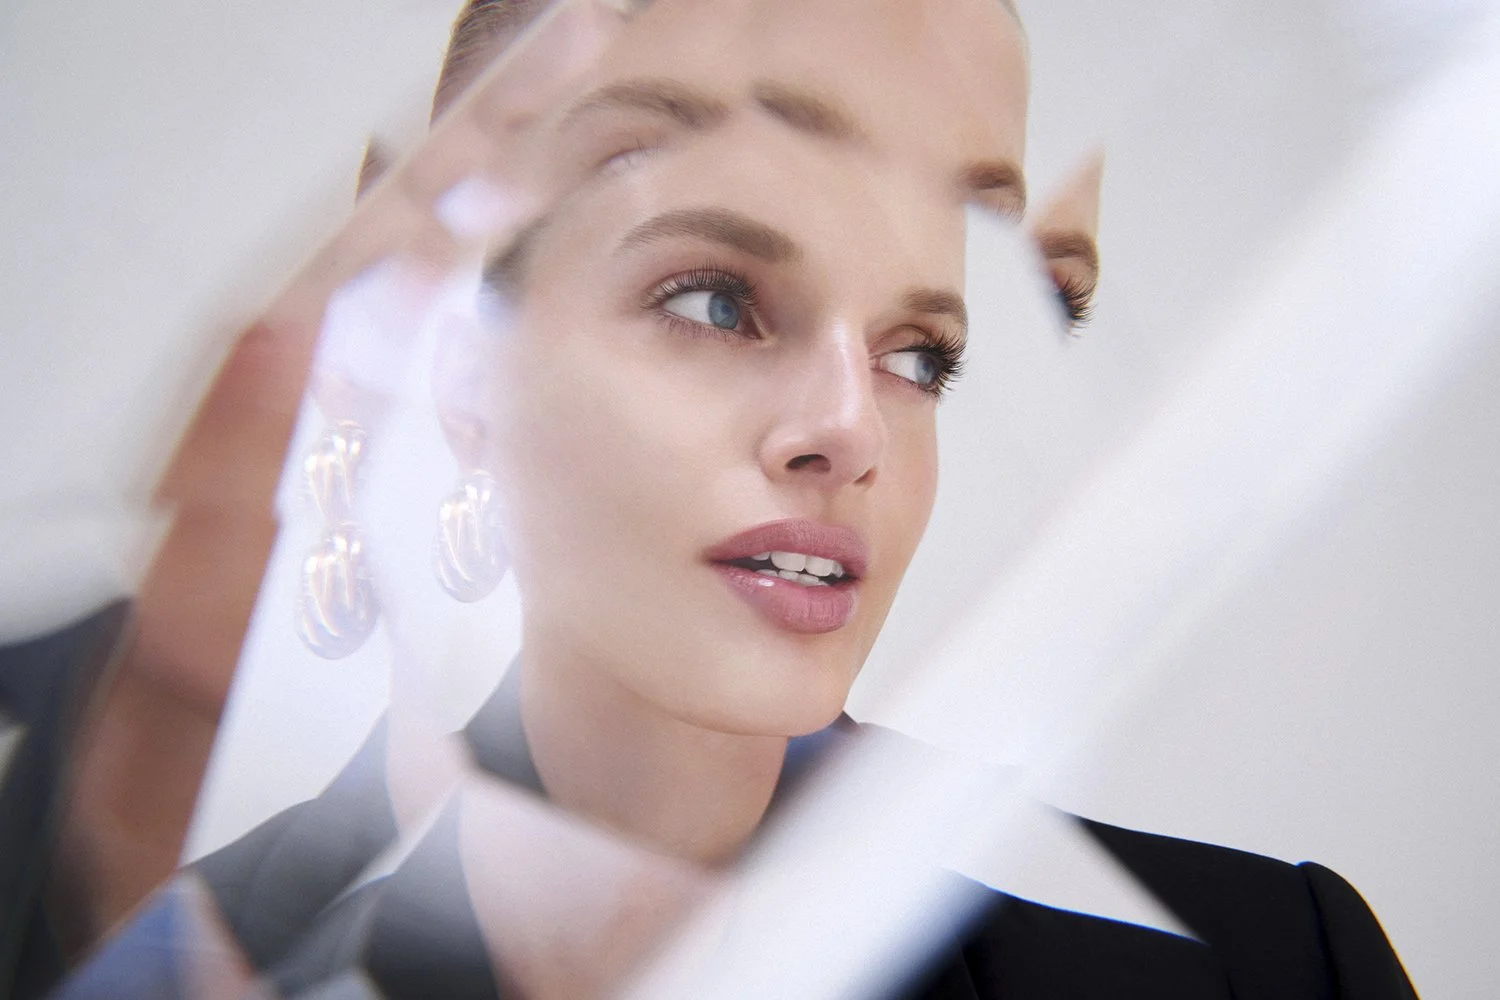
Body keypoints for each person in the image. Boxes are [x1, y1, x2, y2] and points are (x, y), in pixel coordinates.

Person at [0, 1, 1417, 997]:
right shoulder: (115, 928)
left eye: (924, 351)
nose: (848, 430)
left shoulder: (1269, 965)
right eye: (715, 299)